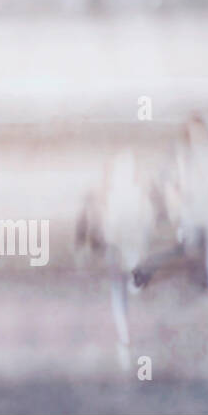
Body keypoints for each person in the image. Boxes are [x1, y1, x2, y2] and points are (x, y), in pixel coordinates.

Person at [75, 151, 155, 369]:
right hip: (123, 238)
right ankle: (124, 333)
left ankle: (124, 335)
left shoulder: (114, 190)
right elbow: (144, 213)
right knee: (121, 283)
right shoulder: (130, 189)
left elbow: (104, 213)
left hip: (121, 237)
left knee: (119, 285)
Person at [162, 114, 208, 319]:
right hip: (192, 210)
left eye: (200, 131)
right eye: (193, 132)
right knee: (191, 245)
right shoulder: (182, 153)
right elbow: (169, 178)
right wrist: (176, 195)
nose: (197, 135)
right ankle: (187, 235)